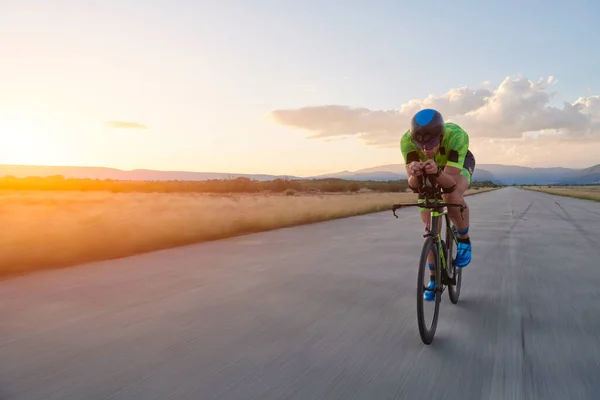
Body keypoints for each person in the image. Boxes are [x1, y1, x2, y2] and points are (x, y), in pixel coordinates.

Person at [400, 108, 475, 301]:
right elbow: (413, 186)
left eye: (432, 143)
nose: (425, 149)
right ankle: (434, 278)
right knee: (429, 228)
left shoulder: (457, 136)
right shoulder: (406, 141)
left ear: (440, 137)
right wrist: (414, 175)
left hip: (456, 165)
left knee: (452, 196)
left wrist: (436, 172)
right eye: (420, 144)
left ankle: (464, 239)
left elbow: (449, 183)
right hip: (430, 169)